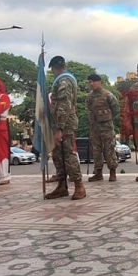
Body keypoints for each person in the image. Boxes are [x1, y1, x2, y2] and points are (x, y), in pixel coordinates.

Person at [46, 56, 85, 200]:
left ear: (54, 68)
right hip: (59, 123)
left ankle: (79, 185)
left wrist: (60, 128)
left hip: (65, 123)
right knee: (58, 155)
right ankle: (62, 186)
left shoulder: (64, 81)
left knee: (68, 155)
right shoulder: (64, 79)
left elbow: (64, 105)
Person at [86, 73, 120, 182]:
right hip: (94, 127)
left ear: (99, 82)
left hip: (106, 127)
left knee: (109, 149)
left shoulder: (108, 95)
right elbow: (89, 109)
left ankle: (112, 172)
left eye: (94, 81)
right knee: (96, 150)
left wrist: (107, 118)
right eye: (90, 82)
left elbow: (116, 110)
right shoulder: (89, 97)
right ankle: (98, 173)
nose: (92, 84)